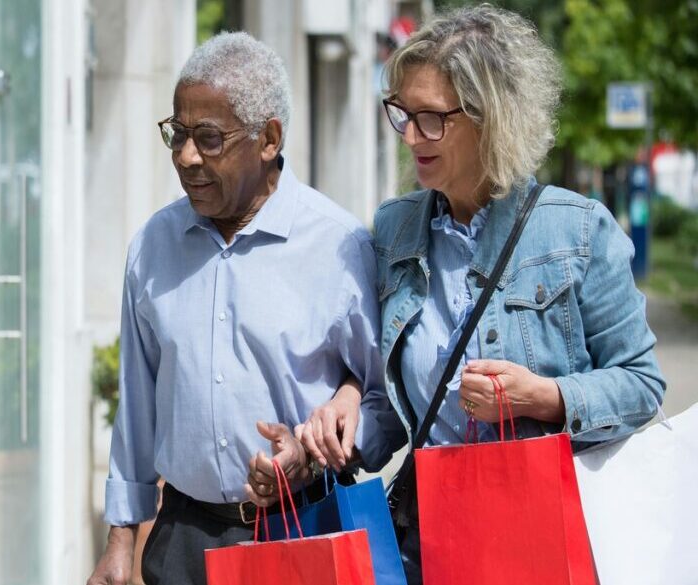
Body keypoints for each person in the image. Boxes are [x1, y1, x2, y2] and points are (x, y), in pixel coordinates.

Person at [294, 5, 667, 583]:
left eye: (431, 119)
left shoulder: (577, 231)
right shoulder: (395, 230)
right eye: (403, 114)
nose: (412, 136)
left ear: (490, 118)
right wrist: (345, 416)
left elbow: (642, 384)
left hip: (542, 541)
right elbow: (397, 406)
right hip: (426, 542)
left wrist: (542, 397)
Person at [86, 31, 385, 585]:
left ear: (268, 138)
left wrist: (312, 455)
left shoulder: (340, 246)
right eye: (177, 135)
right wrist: (121, 539)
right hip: (181, 542)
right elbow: (138, 404)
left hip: (306, 533)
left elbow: (383, 403)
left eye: (208, 138)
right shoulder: (153, 246)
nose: (185, 157)